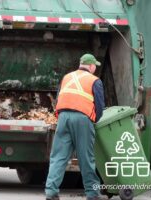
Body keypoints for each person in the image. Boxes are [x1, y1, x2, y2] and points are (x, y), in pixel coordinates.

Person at [45, 54, 105, 200]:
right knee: (86, 158)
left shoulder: (67, 77)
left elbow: (59, 98)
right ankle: (93, 193)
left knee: (58, 157)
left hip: (64, 117)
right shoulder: (94, 80)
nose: (95, 68)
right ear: (91, 66)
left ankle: (51, 192)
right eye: (95, 66)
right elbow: (99, 105)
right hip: (82, 119)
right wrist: (94, 120)